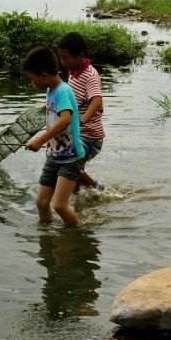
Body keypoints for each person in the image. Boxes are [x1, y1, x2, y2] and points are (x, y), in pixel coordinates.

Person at [22, 45, 85, 226]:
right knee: (41, 203)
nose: (31, 83)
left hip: (71, 158)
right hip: (54, 156)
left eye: (32, 79)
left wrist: (40, 139)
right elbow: (54, 118)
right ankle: (46, 237)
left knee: (59, 206)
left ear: (44, 75)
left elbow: (65, 120)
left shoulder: (63, 91)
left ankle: (77, 237)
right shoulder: (51, 90)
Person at [56, 33, 105, 191]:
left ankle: (95, 188)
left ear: (80, 55)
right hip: (77, 133)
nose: (63, 63)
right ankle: (86, 197)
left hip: (89, 136)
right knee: (71, 171)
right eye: (61, 58)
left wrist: (82, 120)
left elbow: (96, 100)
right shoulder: (73, 73)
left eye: (66, 58)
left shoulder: (90, 75)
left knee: (67, 165)